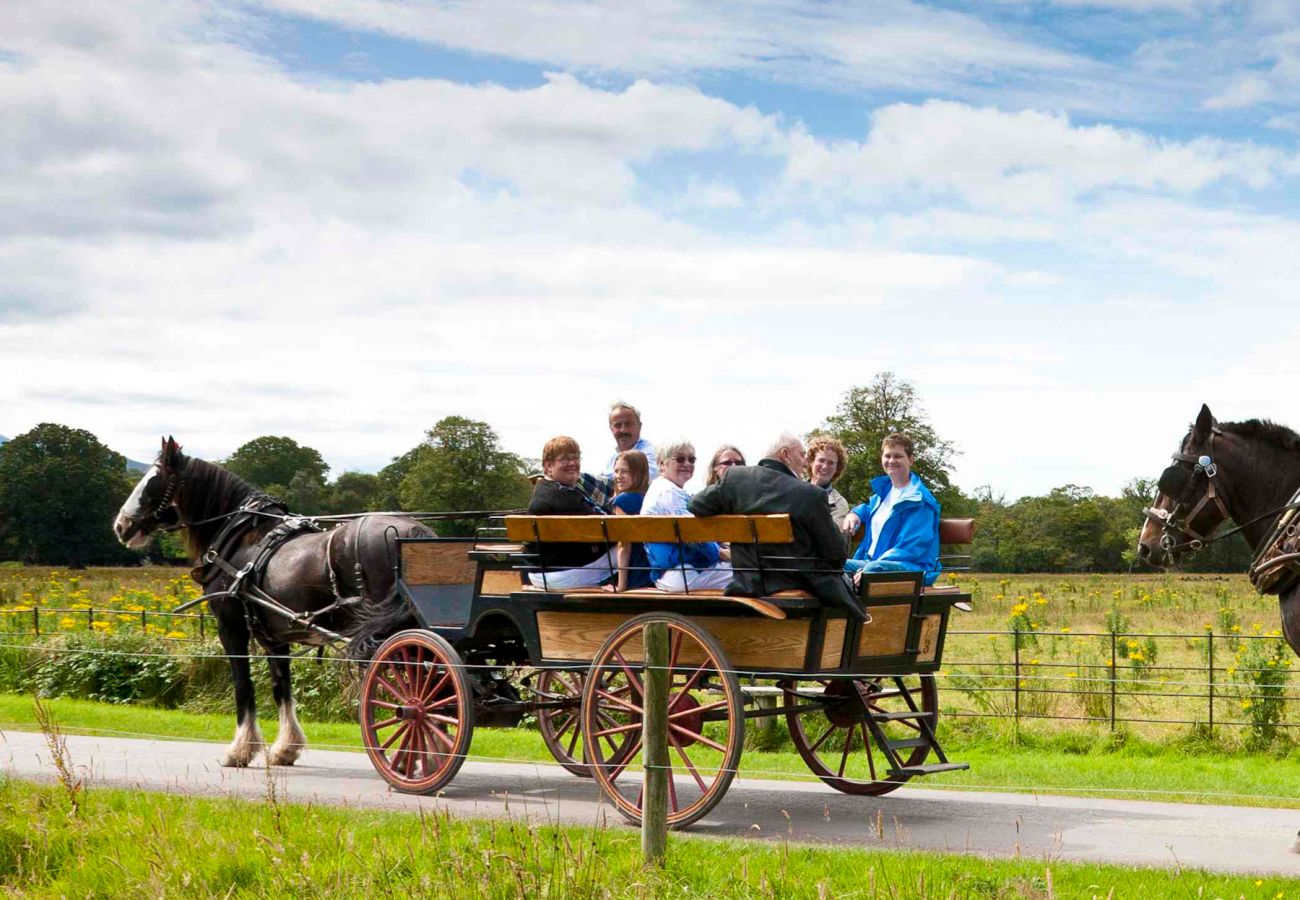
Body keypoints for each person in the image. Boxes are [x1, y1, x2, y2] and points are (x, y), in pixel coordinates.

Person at [689, 433, 866, 622]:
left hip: (747, 583)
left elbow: (696, 505)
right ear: (785, 454)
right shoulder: (810, 495)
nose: (805, 462)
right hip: (799, 586)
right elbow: (837, 554)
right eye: (801, 455)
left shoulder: (735, 478)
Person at [840, 433, 941, 586]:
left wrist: (869, 569)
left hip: (912, 567)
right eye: (887, 456)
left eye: (898, 456)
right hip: (874, 563)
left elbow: (911, 547)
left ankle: (854, 607)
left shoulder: (919, 501)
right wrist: (855, 513)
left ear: (911, 460)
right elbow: (871, 509)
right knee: (834, 565)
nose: (891, 461)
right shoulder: (884, 492)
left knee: (874, 569)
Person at [641, 439, 733, 591]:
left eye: (691, 459)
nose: (687, 464)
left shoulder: (661, 488)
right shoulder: (668, 492)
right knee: (751, 572)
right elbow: (694, 535)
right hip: (683, 573)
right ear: (662, 463)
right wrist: (725, 553)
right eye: (680, 459)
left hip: (674, 572)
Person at [525, 436, 615, 589]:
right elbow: (612, 531)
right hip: (561, 573)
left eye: (575, 458)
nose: (572, 463)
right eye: (564, 459)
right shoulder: (564, 497)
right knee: (634, 545)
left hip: (541, 572)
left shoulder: (544, 488)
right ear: (548, 466)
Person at [604, 449, 654, 591]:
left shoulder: (623, 501)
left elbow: (624, 546)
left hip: (637, 573)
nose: (618, 476)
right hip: (654, 569)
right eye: (616, 471)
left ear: (638, 473)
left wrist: (621, 586)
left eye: (624, 471)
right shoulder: (649, 499)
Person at [805, 434, 851, 529]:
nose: (825, 466)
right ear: (811, 461)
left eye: (831, 463)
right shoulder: (793, 491)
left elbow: (836, 540)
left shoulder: (839, 504)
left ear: (837, 468)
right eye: (821, 460)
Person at [603, 401, 658, 480]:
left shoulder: (649, 452)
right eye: (617, 425)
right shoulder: (613, 458)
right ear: (611, 429)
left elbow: (648, 474)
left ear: (639, 426)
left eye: (628, 424)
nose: (623, 430)